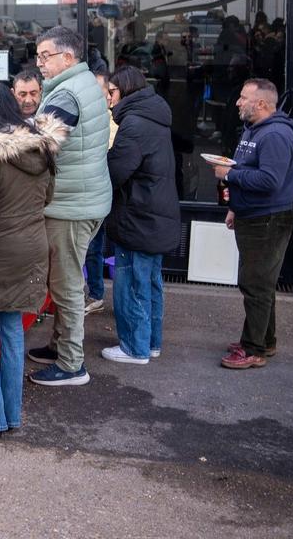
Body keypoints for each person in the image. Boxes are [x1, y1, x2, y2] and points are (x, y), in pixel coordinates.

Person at [0, 84, 66, 441]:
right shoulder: (41, 148)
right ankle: (11, 414)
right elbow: (48, 197)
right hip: (31, 249)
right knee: (11, 330)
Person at [27, 26, 111, 387]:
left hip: (71, 205)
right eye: (38, 56)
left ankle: (72, 364)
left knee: (66, 284)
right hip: (82, 197)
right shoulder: (83, 83)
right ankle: (60, 345)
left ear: (68, 57)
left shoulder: (67, 94)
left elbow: (40, 141)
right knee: (66, 278)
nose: (39, 63)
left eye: (45, 56)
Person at [213, 78, 293, 370]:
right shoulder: (254, 129)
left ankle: (253, 349)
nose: (237, 102)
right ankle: (265, 340)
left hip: (268, 220)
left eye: (243, 97)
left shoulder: (275, 135)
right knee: (261, 284)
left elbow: (270, 181)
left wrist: (229, 175)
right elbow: (249, 170)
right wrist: (235, 207)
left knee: (256, 286)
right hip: (253, 216)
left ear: (261, 104)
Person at [101, 67, 179, 365]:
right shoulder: (155, 117)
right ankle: (151, 342)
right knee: (151, 282)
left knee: (132, 282)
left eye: (112, 92)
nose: (109, 98)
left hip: (139, 215)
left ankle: (135, 347)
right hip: (156, 214)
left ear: (126, 91)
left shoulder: (133, 124)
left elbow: (116, 171)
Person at [83, 69, 119, 316]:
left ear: (108, 94)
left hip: (105, 192)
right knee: (90, 247)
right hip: (89, 192)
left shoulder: (114, 122)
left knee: (96, 246)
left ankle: (96, 294)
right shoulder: (86, 119)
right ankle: (94, 294)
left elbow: (108, 156)